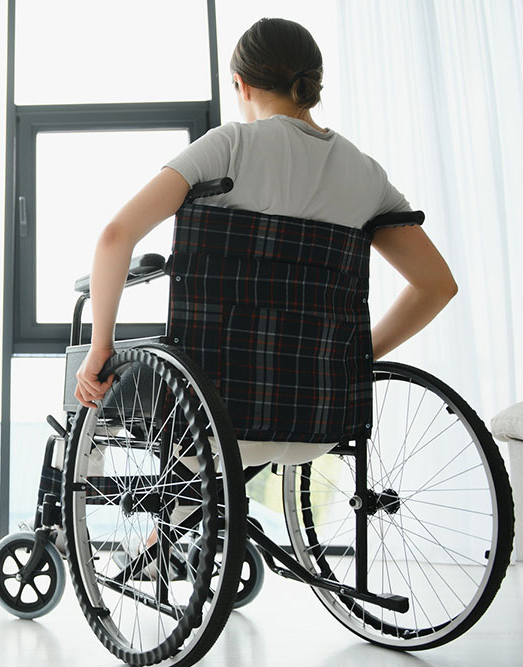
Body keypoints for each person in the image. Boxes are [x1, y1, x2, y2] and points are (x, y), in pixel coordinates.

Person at [73, 17, 458, 469]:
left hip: (214, 419)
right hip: (320, 425)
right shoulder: (366, 174)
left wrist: (101, 349)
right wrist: (354, 359)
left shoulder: (230, 146)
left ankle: (168, 529)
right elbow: (436, 286)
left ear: (242, 84)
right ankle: (170, 530)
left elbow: (116, 236)